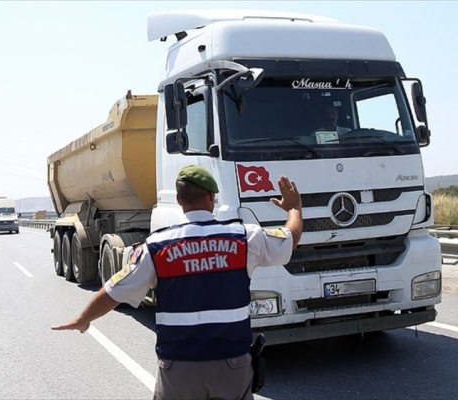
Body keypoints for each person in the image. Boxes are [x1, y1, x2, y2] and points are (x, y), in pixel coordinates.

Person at [52, 165, 303, 400]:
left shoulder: (156, 246)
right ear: (212, 198)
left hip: (179, 370)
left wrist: (83, 318)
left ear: (180, 200)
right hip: (231, 366)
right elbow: (289, 238)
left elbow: (115, 290)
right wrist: (294, 209)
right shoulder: (244, 237)